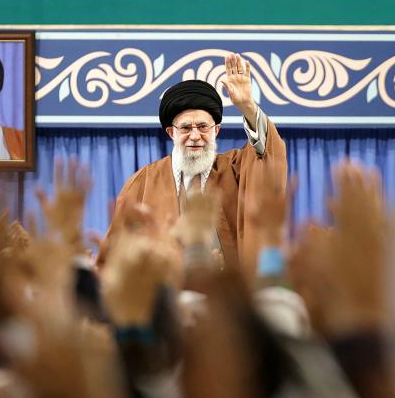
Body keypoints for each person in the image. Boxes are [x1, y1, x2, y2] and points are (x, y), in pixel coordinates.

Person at [103, 53, 287, 275]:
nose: (195, 136)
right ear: (171, 132)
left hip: (225, 300)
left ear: (216, 130)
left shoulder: (235, 169)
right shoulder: (143, 183)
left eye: (203, 127)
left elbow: (266, 157)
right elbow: (117, 256)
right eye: (185, 128)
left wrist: (247, 106)